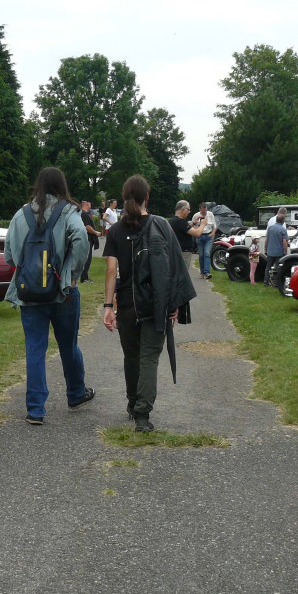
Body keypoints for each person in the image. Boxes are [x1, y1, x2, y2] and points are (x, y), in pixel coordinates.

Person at [103, 175, 196, 433]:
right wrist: (175, 303)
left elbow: (112, 271)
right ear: (147, 197)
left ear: (123, 198)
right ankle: (142, 416)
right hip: (155, 305)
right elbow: (175, 267)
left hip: (127, 306)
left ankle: (133, 404)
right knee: (148, 359)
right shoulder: (161, 225)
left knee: (132, 357)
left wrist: (108, 306)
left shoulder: (115, 231)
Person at [4, 167, 95, 426]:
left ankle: (35, 409)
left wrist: (26, 269)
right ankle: (76, 393)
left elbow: (9, 255)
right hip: (63, 291)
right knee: (68, 345)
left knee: (35, 348)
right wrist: (71, 273)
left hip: (29, 293)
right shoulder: (69, 212)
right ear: (62, 185)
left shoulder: (20, 215)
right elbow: (80, 239)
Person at [169, 200, 200, 271]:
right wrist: (203, 224)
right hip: (184, 252)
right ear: (183, 209)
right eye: (188, 210)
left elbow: (184, 229)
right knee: (183, 274)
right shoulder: (181, 222)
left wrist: (193, 223)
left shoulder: (172, 221)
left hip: (176, 250)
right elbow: (197, 233)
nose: (189, 212)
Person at [262, 210, 289, 288]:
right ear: (283, 221)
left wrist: (265, 249)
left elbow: (267, 240)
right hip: (279, 252)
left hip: (270, 251)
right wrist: (285, 252)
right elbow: (284, 242)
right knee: (278, 269)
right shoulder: (283, 230)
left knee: (268, 267)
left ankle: (266, 281)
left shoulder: (270, 228)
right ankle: (276, 283)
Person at [191, 202, 217, 280]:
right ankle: (202, 272)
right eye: (203, 211)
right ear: (200, 210)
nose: (204, 212)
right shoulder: (196, 215)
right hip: (199, 236)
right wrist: (196, 220)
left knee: (207, 254)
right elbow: (191, 226)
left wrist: (212, 233)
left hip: (208, 236)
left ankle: (207, 272)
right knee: (201, 255)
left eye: (205, 211)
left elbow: (214, 225)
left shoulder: (210, 215)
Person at [79, 199, 101, 283]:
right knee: (87, 259)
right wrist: (96, 232)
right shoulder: (83, 214)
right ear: (87, 204)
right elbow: (87, 227)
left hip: (88, 239)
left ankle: (85, 276)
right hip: (87, 239)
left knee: (88, 258)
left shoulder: (85, 214)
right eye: (90, 204)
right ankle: (84, 278)